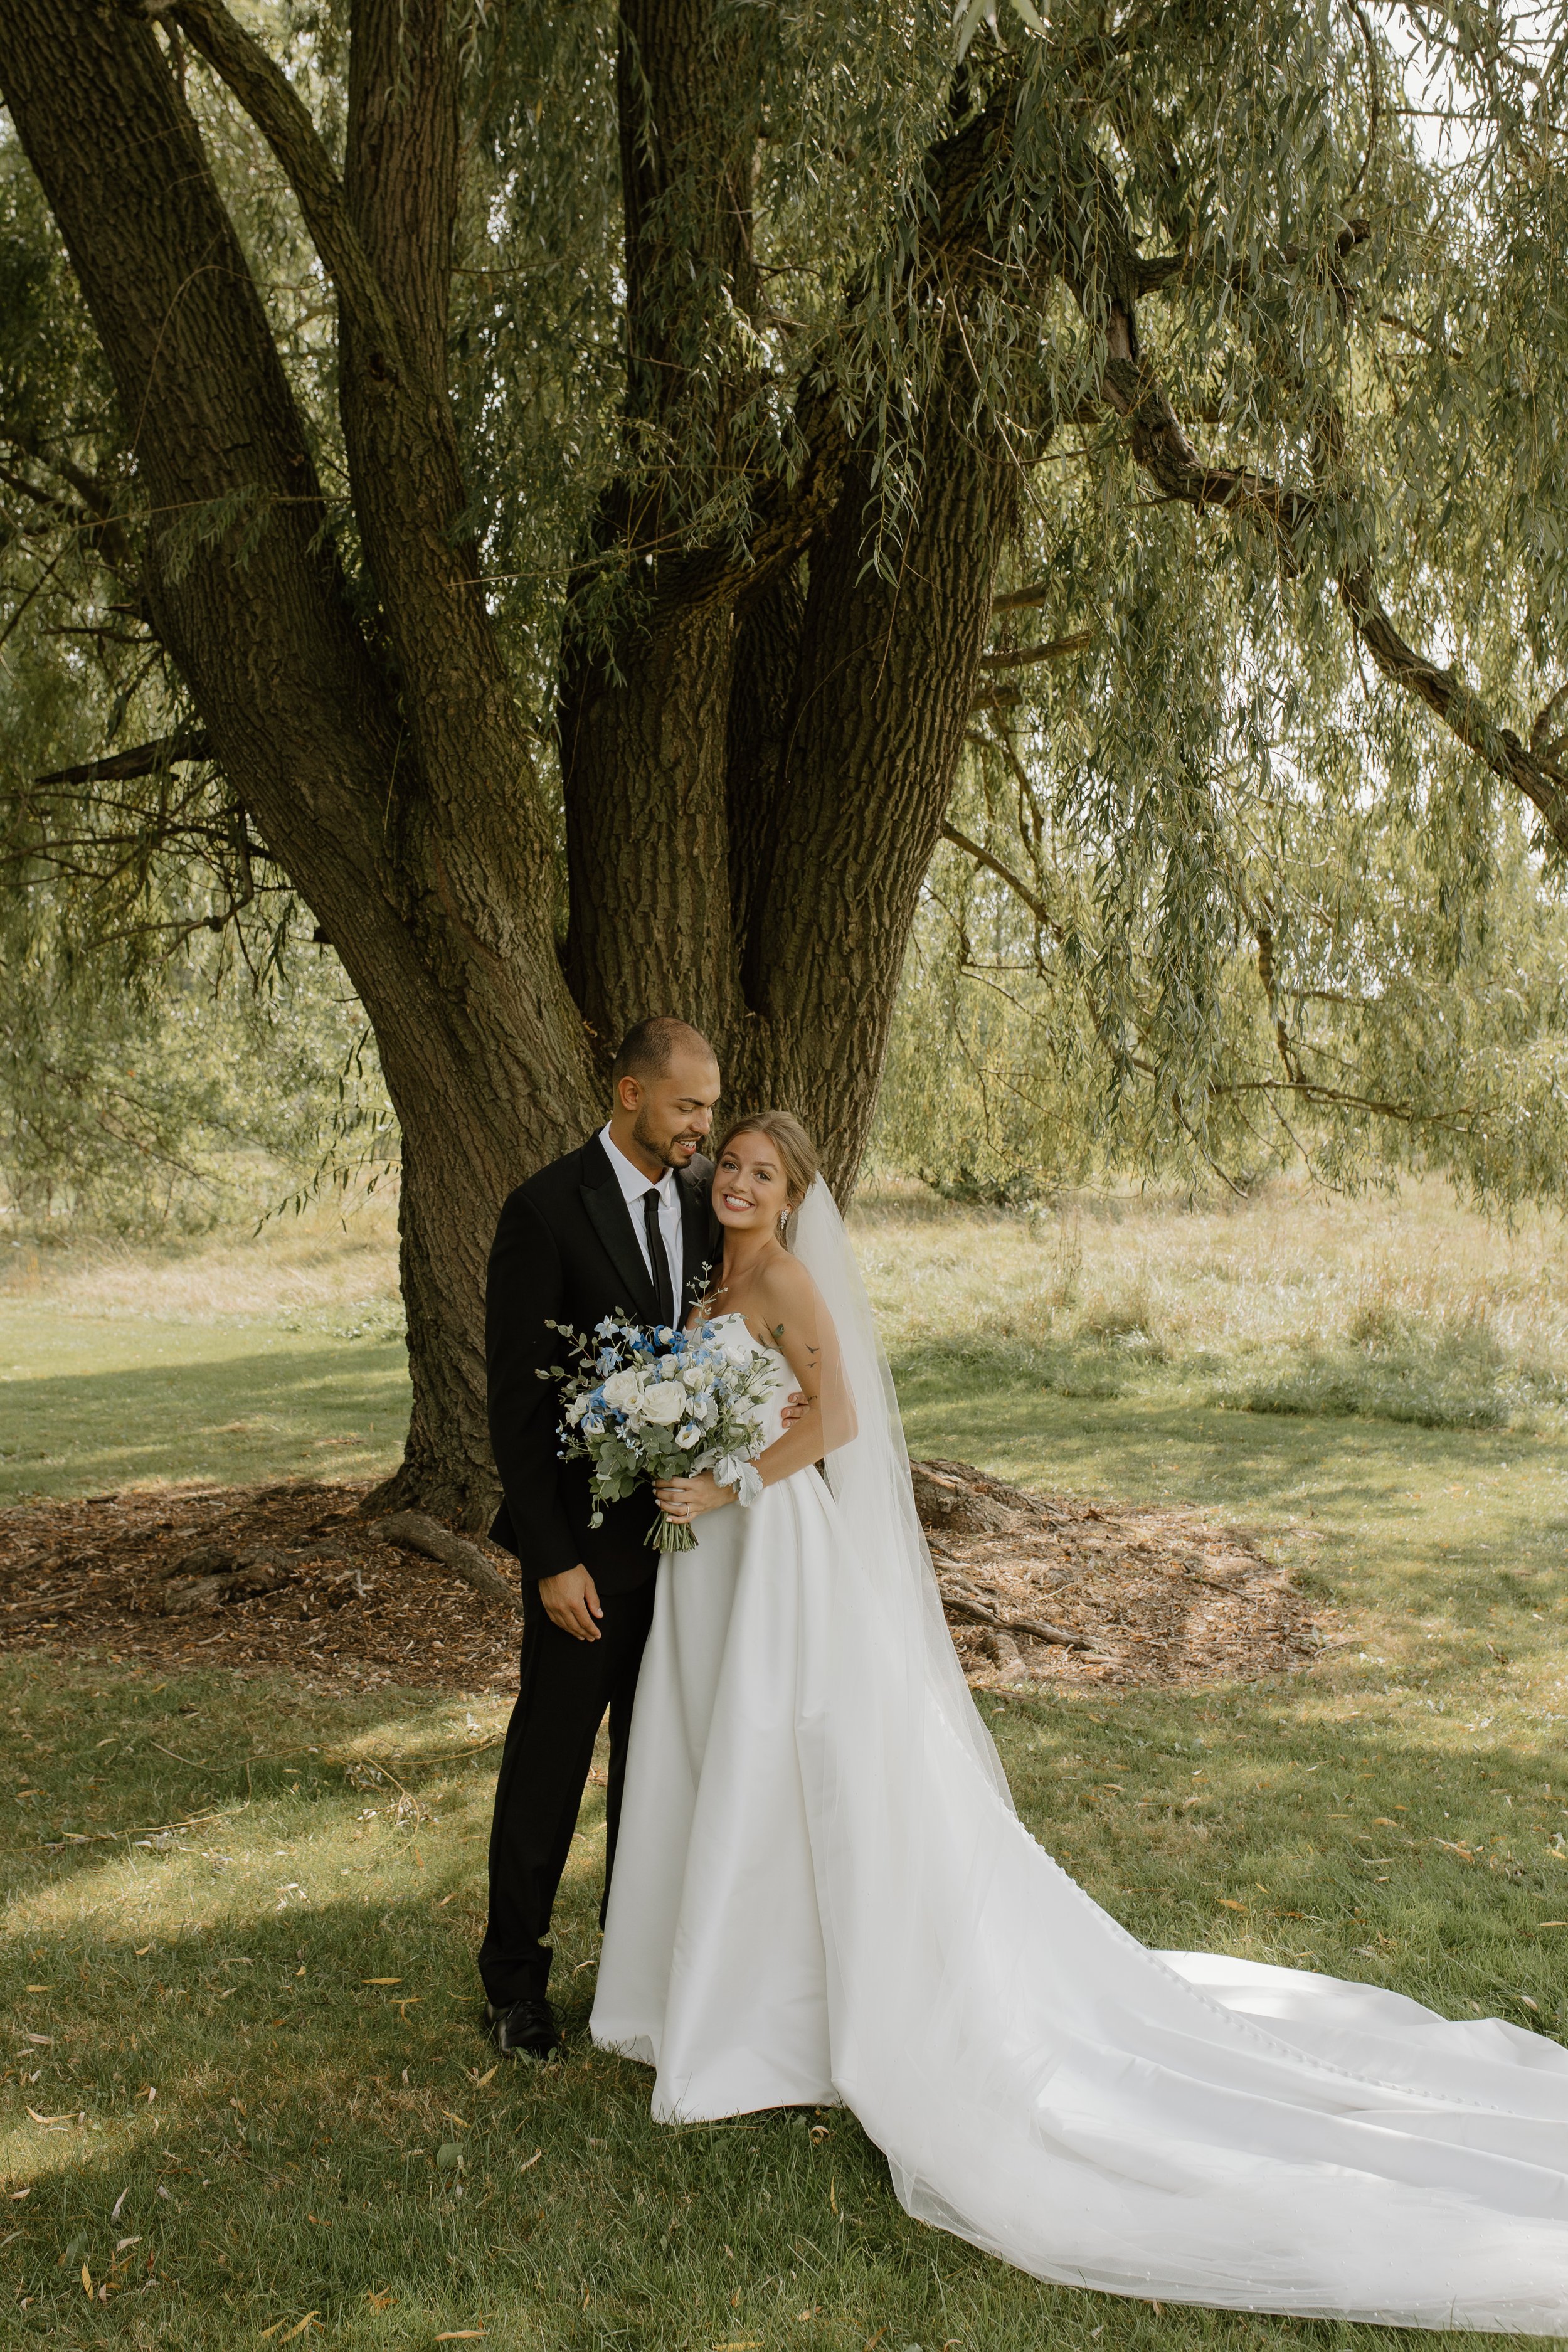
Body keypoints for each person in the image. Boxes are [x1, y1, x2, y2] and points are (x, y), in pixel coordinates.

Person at [591, 1108, 1568, 2333]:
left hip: (773, 1551)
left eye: (761, 1174)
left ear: (796, 1195)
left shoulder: (782, 1277)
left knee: (777, 1760)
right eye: (727, 1166)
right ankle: (716, 1988)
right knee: (706, 1753)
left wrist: (725, 1476)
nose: (736, 1183)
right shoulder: (709, 1271)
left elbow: (833, 1426)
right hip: (710, 1555)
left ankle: (771, 2012)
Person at [479, 1017, 804, 2060]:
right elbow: (516, 1411)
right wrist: (550, 1558)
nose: (704, 1129)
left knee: (660, 1764)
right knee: (551, 1760)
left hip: (696, 1554)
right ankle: (515, 1983)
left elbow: (752, 1342)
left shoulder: (712, 1206)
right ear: (628, 1093)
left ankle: (638, 1963)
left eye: (711, 1110)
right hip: (586, 1553)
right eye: (688, 1108)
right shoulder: (542, 1212)